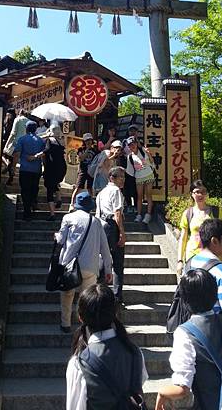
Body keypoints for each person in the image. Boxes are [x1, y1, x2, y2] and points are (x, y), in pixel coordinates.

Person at [155, 268, 222, 410]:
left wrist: (162, 394)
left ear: (185, 299)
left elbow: (182, 387)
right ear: (214, 294)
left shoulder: (185, 333)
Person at [66, 283, 148, 410]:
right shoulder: (134, 352)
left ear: (80, 318)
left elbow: (75, 407)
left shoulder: (79, 363)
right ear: (114, 313)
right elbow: (138, 384)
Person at [55, 192, 112, 334]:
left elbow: (61, 240)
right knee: (87, 299)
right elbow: (105, 248)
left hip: (69, 265)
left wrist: (56, 236)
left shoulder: (68, 218)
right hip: (90, 266)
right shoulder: (97, 222)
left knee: (67, 294)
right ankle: (86, 327)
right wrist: (108, 270)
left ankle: (65, 324)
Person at [176, 179, 222, 277]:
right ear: (192, 194)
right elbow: (183, 238)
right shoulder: (188, 213)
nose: (200, 195)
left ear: (207, 194)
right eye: (197, 192)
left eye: (203, 192)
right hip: (193, 256)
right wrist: (180, 260)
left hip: (212, 256)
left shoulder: (216, 212)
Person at [95, 166, 126, 305]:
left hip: (101, 225)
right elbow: (117, 213)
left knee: (103, 259)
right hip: (112, 226)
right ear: (112, 178)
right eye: (120, 177)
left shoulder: (101, 192)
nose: (123, 180)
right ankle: (117, 297)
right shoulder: (115, 191)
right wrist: (122, 233)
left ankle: (98, 293)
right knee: (118, 262)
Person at [12, 120, 45, 221]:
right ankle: (33, 204)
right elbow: (44, 154)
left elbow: (17, 154)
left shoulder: (22, 139)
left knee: (25, 190)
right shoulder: (40, 140)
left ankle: (27, 213)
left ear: (26, 129)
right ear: (36, 129)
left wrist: (13, 167)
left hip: (25, 169)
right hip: (36, 169)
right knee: (34, 188)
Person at [126, 137, 154, 225]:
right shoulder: (130, 156)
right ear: (128, 147)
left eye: (133, 143)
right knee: (139, 196)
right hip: (139, 177)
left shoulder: (143, 150)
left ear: (137, 143)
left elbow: (152, 161)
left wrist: (149, 154)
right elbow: (130, 171)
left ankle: (148, 215)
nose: (132, 146)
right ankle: (139, 215)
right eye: (130, 145)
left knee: (148, 195)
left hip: (148, 174)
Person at [43, 124, 67, 221]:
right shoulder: (62, 141)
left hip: (51, 168)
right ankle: (59, 199)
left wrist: (36, 156)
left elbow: (46, 151)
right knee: (55, 183)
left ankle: (52, 214)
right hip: (61, 167)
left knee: (49, 189)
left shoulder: (50, 141)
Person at [70, 133, 98, 209]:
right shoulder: (80, 149)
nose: (88, 142)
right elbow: (81, 158)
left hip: (91, 171)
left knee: (90, 188)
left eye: (89, 140)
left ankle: (91, 203)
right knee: (78, 187)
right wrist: (87, 149)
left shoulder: (95, 151)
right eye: (86, 140)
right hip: (83, 170)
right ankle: (72, 203)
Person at [1, 108, 16, 185]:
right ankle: (10, 179)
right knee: (11, 159)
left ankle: (7, 165)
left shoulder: (6, 121)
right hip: (11, 143)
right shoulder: (15, 121)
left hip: (5, 142)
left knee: (2, 155)